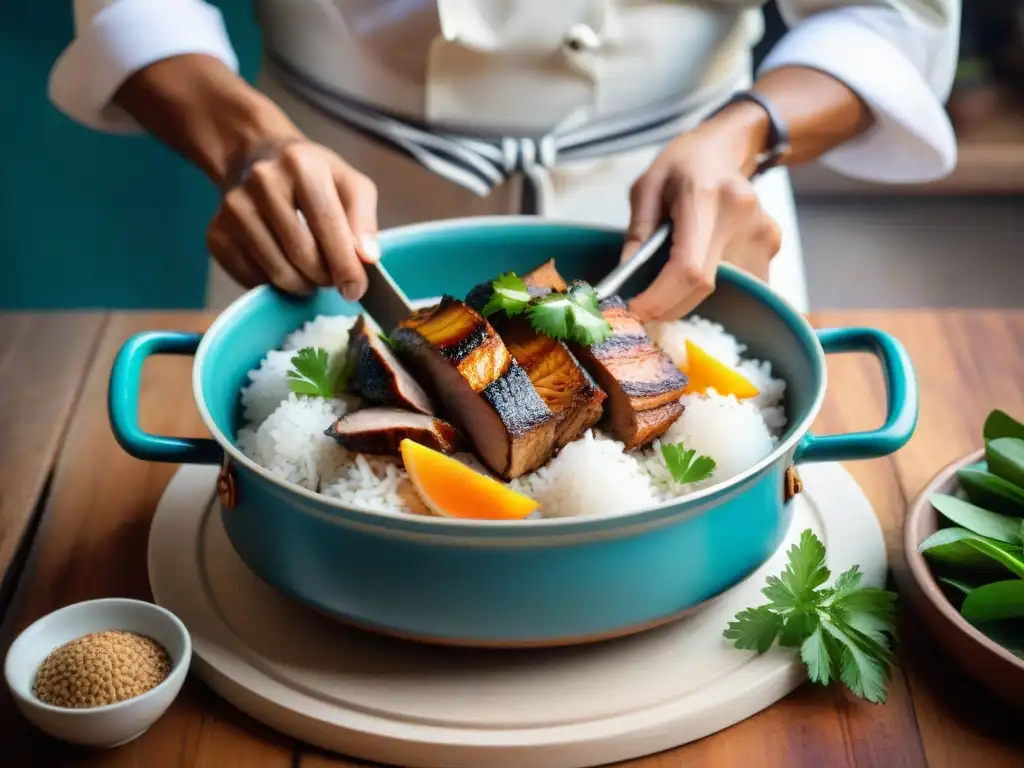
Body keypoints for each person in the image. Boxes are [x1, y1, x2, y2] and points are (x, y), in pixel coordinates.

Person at [49, 0, 959, 318]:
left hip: (690, 211)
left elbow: (890, 15)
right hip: (328, 211)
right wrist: (249, 142)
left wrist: (748, 132)